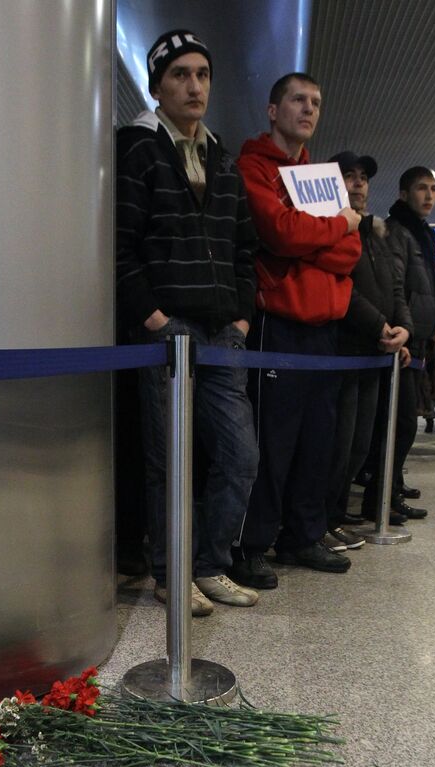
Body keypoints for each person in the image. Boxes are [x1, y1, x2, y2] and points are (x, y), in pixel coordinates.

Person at [116, 28, 260, 616]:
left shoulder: (222, 159)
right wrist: (153, 317)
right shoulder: (138, 148)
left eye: (202, 74)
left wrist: (242, 320)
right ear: (157, 86)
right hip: (166, 330)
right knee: (168, 460)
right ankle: (169, 574)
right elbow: (119, 246)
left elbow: (245, 251)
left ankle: (209, 564)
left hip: (222, 332)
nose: (194, 85)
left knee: (239, 453)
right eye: (180, 74)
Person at [231, 72, 362, 588]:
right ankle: (253, 543)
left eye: (316, 102)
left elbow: (349, 254)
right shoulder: (253, 168)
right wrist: (338, 225)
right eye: (298, 100)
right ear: (272, 109)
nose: (308, 110)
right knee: (273, 440)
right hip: (280, 325)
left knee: (316, 440)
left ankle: (302, 535)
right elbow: (280, 234)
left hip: (324, 329)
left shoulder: (321, 176)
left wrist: (320, 235)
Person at [325, 150, 411, 543]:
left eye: (362, 177)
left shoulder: (375, 232)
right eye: (349, 175)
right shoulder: (331, 228)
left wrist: (402, 330)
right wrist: (381, 325)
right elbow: (343, 287)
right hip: (343, 349)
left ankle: (335, 515)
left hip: (375, 352)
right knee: (337, 445)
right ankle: (323, 520)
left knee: (359, 444)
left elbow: (395, 288)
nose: (358, 183)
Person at [362, 166, 435, 522]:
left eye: (434, 189)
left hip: (419, 337)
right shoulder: (399, 231)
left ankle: (390, 491)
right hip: (403, 339)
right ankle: (380, 498)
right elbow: (397, 287)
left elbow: (425, 287)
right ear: (403, 193)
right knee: (399, 424)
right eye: (422, 188)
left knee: (403, 423)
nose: (429, 195)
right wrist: (404, 327)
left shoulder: (421, 233)